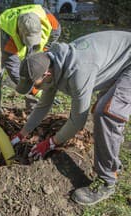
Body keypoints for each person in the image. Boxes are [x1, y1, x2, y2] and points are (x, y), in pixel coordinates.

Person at [12, 31, 131, 206]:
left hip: (127, 62)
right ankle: (111, 158)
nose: (34, 90)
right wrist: (22, 133)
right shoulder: (53, 64)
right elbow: (43, 105)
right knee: (106, 109)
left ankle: (107, 182)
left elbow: (78, 121)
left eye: (34, 86)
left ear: (46, 75)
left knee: (106, 113)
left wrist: (51, 143)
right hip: (119, 61)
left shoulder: (78, 71)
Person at [0, 4, 61, 110]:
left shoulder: (49, 20)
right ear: (19, 32)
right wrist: (36, 90)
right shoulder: (7, 35)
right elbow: (15, 71)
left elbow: (55, 34)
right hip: (2, 39)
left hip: (27, 38)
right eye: (29, 39)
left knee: (36, 68)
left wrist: (42, 55)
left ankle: (33, 107)